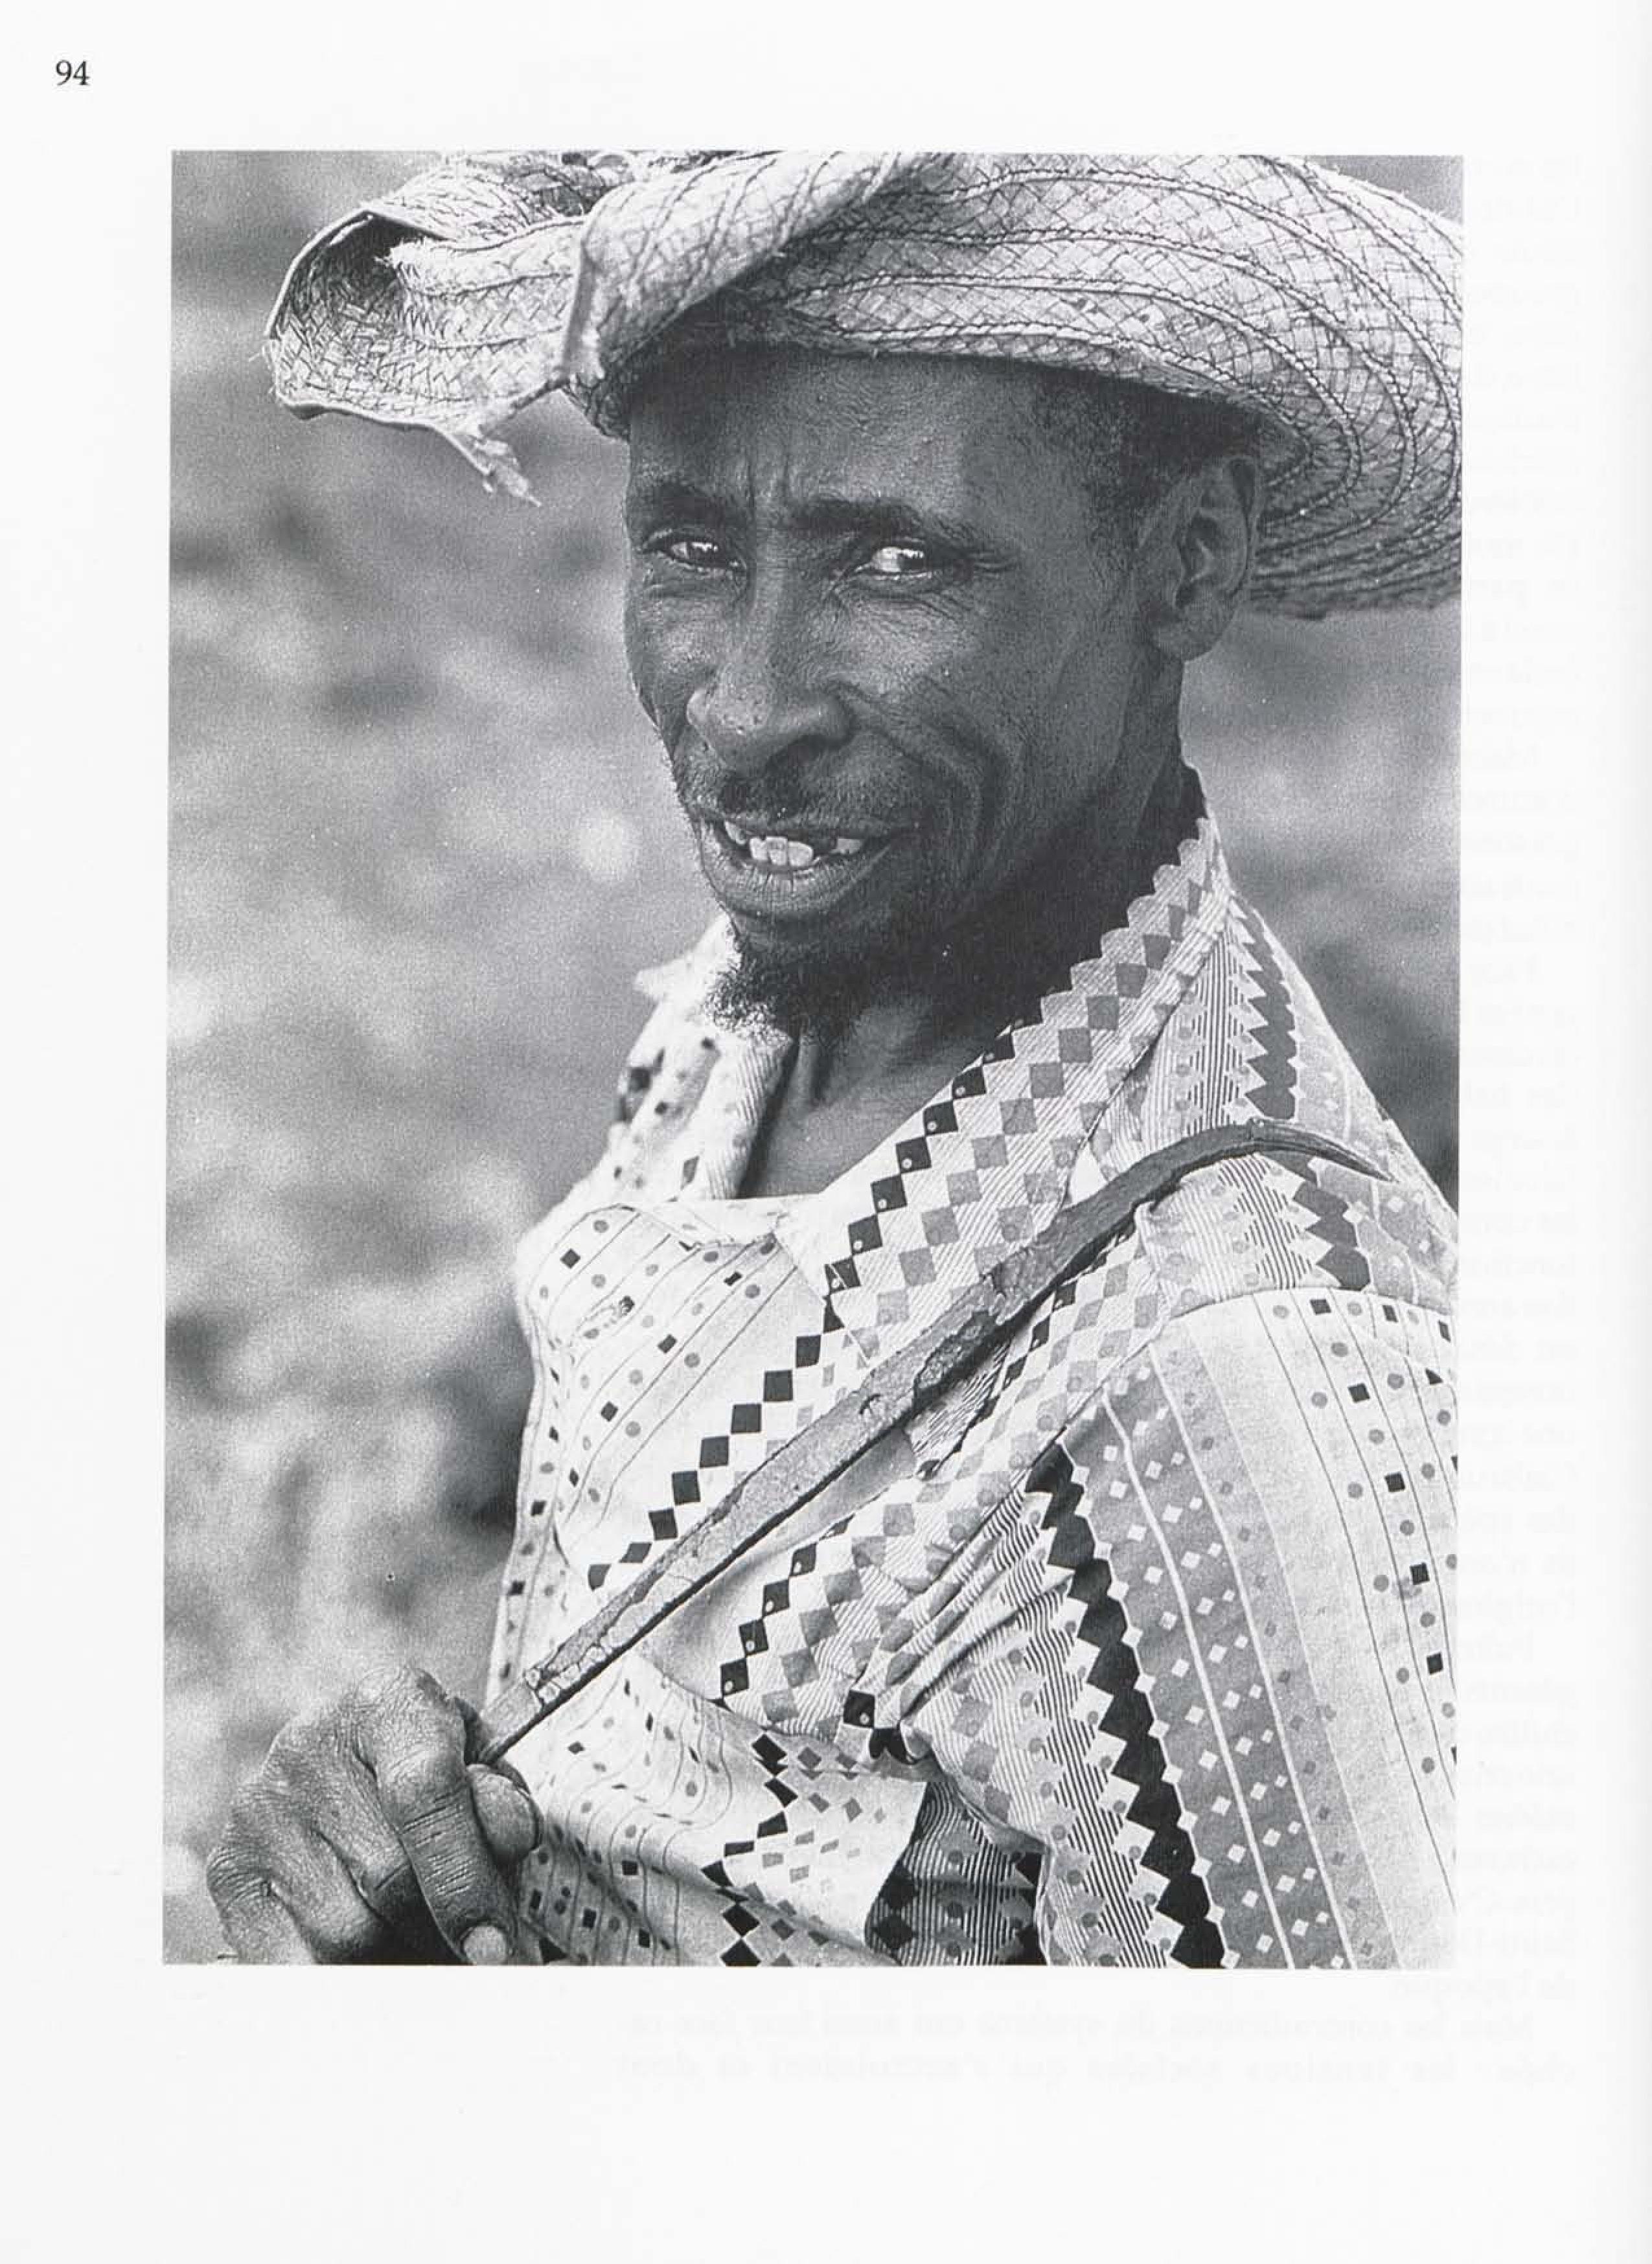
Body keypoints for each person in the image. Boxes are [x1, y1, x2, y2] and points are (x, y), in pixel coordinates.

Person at [208, 152, 1460, 1967]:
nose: (742, 709)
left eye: (899, 560)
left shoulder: (1254, 1391)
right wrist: (426, 1863)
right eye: (692, 546)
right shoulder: (761, 1021)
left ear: (1188, 560)